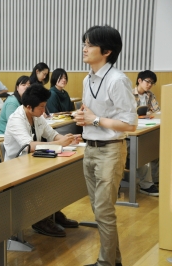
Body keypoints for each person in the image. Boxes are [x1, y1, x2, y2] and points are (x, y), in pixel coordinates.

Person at [74, 25, 138, 266]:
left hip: (110, 150)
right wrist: (82, 118)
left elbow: (130, 124)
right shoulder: (87, 79)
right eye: (85, 43)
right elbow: (89, 114)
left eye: (90, 44)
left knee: (103, 211)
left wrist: (95, 120)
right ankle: (114, 261)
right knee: (99, 211)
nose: (85, 48)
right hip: (89, 148)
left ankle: (105, 263)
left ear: (107, 51)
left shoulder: (117, 80)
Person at [4, 84, 80, 237]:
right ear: (28, 106)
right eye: (41, 107)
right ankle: (40, 218)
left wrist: (68, 139)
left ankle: (52, 211)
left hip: (33, 161)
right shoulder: (16, 119)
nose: (43, 110)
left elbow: (52, 135)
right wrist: (59, 144)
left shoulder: (37, 116)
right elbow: (30, 146)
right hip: (15, 167)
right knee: (46, 179)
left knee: (57, 175)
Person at [130, 70, 159, 194]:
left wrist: (150, 115)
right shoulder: (129, 94)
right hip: (132, 131)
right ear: (139, 80)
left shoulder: (150, 95)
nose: (150, 85)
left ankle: (156, 179)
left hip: (145, 127)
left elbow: (157, 110)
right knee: (144, 151)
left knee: (156, 148)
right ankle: (146, 184)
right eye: (148, 81)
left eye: (152, 83)